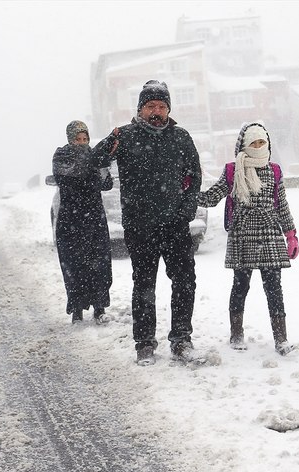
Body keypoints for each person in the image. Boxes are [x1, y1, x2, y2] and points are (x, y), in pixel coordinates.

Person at [92, 80, 202, 366]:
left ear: (169, 110)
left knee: (184, 282)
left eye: (162, 107)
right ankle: (144, 343)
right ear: (140, 109)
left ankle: (181, 339)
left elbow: (195, 178)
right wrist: (107, 144)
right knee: (144, 284)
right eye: (151, 106)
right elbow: (96, 161)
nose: (157, 112)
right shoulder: (125, 136)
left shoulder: (181, 137)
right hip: (140, 226)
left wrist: (187, 210)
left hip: (175, 225)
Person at [198, 122, 299, 356]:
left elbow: (281, 205)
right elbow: (213, 197)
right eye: (252, 142)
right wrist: (190, 194)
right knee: (240, 286)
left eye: (261, 142)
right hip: (243, 235)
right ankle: (236, 333)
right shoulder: (234, 170)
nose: (257, 146)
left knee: (274, 288)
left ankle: (281, 339)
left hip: (270, 234)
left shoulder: (274, 171)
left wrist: (291, 234)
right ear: (243, 145)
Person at [52, 120, 113, 324]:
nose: (82, 143)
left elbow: (106, 183)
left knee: (99, 264)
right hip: (71, 220)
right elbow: (69, 178)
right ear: (70, 140)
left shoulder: (95, 157)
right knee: (74, 264)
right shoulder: (61, 156)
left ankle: (99, 307)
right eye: (78, 139)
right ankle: (77, 309)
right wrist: (94, 159)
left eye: (85, 139)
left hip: (94, 218)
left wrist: (103, 162)